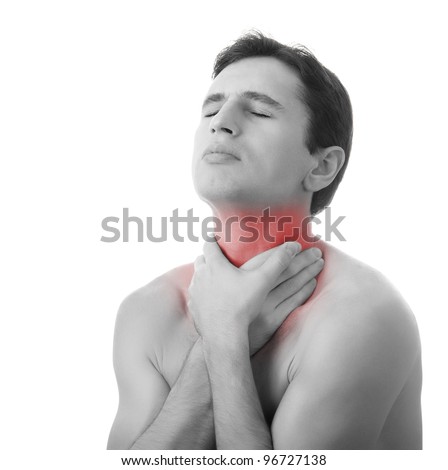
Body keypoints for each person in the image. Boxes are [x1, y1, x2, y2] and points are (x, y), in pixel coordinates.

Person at [107, 32, 422, 450]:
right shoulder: (145, 310)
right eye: (212, 109)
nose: (221, 121)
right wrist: (224, 335)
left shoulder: (363, 315)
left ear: (322, 166)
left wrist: (223, 334)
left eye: (258, 111)